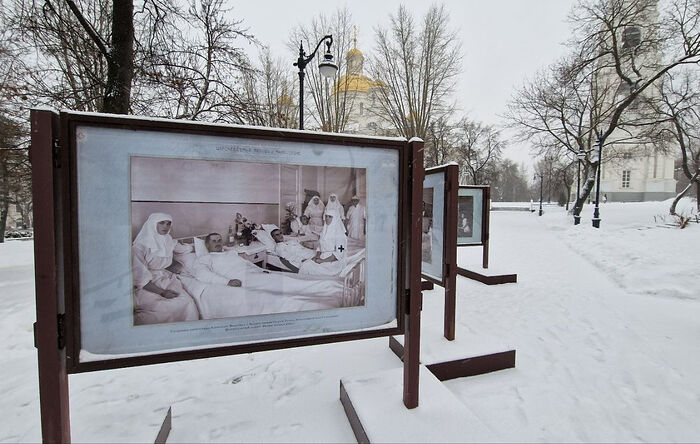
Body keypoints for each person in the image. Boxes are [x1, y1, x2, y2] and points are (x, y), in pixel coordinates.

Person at [131, 213, 199, 325]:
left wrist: (204, 246)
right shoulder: (139, 247)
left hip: (166, 278)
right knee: (165, 309)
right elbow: (140, 277)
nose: (166, 226)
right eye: (161, 222)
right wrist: (162, 292)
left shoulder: (168, 240)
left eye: (168, 223)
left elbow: (184, 249)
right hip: (147, 285)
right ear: (153, 224)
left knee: (188, 302)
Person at [192, 233, 263, 287]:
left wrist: (260, 270)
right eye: (214, 241)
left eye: (219, 240)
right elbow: (202, 274)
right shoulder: (205, 258)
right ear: (207, 245)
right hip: (240, 279)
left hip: (253, 274)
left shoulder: (231, 253)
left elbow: (246, 262)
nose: (217, 243)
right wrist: (227, 282)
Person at [299, 208, 347, 276]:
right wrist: (317, 256)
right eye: (326, 216)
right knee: (306, 264)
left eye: (330, 216)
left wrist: (323, 261)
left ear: (335, 218)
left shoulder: (340, 234)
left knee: (307, 266)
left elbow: (339, 254)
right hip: (323, 256)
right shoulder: (324, 230)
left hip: (333, 262)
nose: (327, 218)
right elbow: (320, 246)